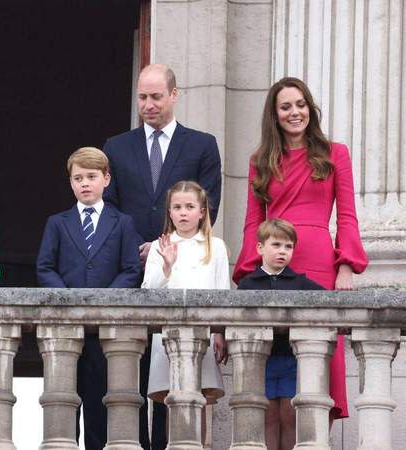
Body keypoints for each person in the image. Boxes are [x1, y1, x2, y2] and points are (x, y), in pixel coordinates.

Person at [232, 77, 368, 422]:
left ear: (310, 108)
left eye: (300, 104)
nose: (295, 112)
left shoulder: (336, 153)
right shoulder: (260, 160)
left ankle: (314, 439)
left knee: (320, 362)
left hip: (319, 264)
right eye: (286, 107)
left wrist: (346, 266)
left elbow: (347, 215)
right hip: (275, 267)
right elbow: (253, 222)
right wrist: (250, 272)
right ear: (274, 115)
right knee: (274, 366)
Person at [103, 63, 222, 450]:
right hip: (130, 269)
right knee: (132, 371)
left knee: (177, 375)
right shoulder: (116, 147)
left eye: (156, 96)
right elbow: (110, 206)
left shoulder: (202, 145)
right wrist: (139, 248)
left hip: (184, 272)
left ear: (174, 94)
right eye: (142, 97)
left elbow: (209, 203)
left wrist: (164, 244)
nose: (148, 104)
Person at [36, 147, 141, 449]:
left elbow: (131, 270)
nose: (85, 183)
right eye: (78, 178)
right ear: (70, 182)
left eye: (91, 177)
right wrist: (68, 301)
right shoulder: (57, 222)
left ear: (106, 179)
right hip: (66, 328)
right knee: (63, 403)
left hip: (104, 330)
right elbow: (45, 267)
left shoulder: (123, 222)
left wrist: (103, 301)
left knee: (99, 404)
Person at [141, 180, 227, 443]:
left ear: (202, 212)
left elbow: (223, 292)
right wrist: (167, 267)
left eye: (190, 207)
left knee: (198, 399)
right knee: (173, 399)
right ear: (169, 212)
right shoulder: (159, 246)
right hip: (168, 335)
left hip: (203, 334)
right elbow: (148, 292)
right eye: (177, 207)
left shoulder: (216, 246)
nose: (183, 213)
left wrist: (220, 333)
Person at [237, 219, 323, 450]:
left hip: (291, 360)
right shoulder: (247, 285)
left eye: (288, 246)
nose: (282, 251)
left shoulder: (301, 284)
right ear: (260, 247)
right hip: (259, 362)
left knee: (290, 415)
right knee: (267, 417)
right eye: (276, 245)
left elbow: (330, 306)